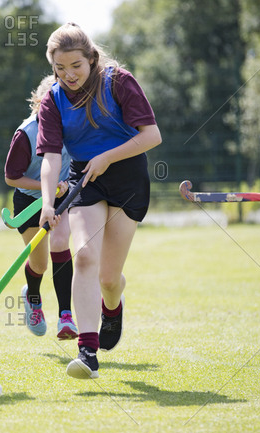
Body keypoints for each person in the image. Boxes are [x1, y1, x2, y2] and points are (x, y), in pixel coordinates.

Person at [36, 23, 162, 379]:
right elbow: (50, 157)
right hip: (84, 179)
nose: (68, 75)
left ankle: (113, 304)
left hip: (127, 178)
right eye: (59, 69)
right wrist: (48, 202)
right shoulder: (53, 100)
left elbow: (152, 135)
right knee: (85, 255)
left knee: (109, 278)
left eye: (75, 65)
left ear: (91, 59)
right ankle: (88, 351)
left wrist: (108, 157)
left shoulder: (119, 81)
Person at [4, 75, 78, 340]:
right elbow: (11, 177)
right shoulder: (26, 134)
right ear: (38, 103)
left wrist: (65, 185)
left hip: (63, 196)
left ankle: (65, 316)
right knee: (39, 262)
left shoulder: (72, 127)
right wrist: (46, 187)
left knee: (60, 242)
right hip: (28, 200)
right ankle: (32, 298)